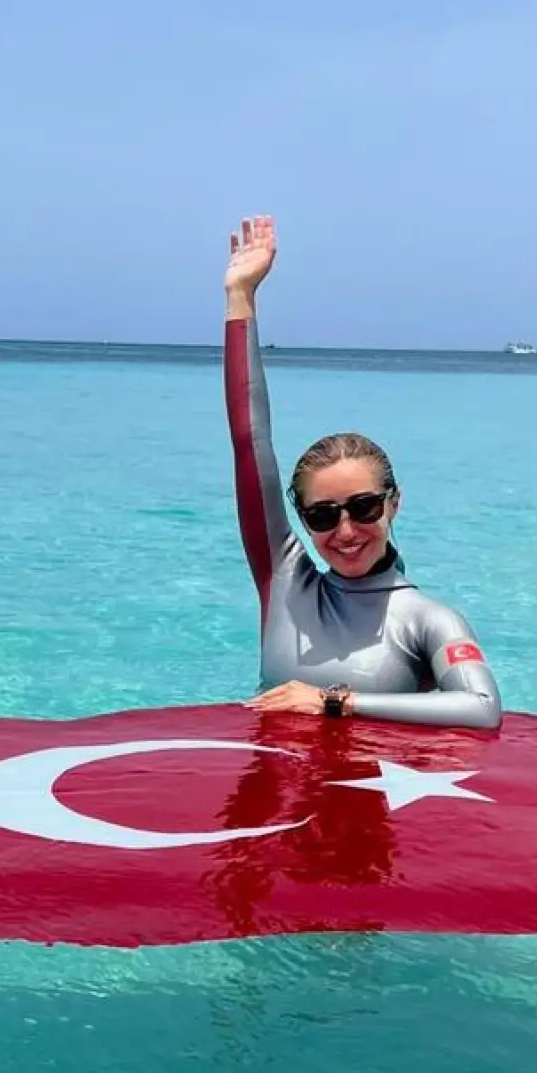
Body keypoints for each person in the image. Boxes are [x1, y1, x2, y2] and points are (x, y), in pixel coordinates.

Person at [223, 214, 502, 729]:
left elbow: (482, 709)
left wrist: (336, 701)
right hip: (271, 784)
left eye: (364, 507)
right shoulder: (285, 584)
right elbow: (249, 441)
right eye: (323, 516)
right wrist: (240, 297)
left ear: (394, 502)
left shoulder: (428, 620)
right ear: (303, 520)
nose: (346, 531)